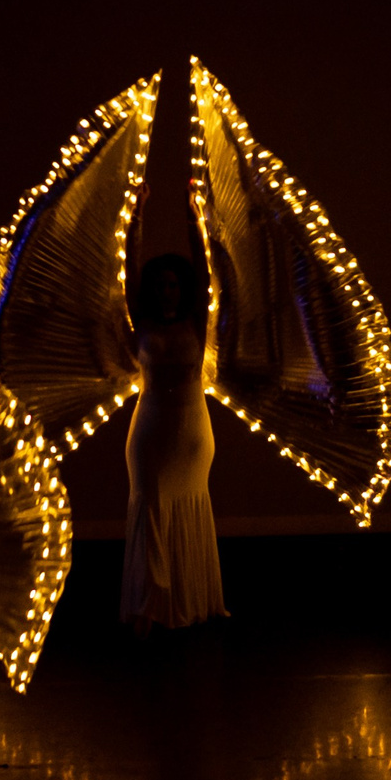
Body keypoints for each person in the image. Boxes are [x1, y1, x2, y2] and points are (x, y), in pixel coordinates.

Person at [122, 254, 228, 632]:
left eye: (172, 285)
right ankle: (150, 605)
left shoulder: (197, 322)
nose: (166, 292)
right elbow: (130, 276)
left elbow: (204, 273)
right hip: (150, 428)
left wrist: (191, 212)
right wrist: (136, 216)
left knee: (189, 507)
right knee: (150, 507)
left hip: (191, 431)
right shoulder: (141, 323)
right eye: (160, 285)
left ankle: (190, 600)